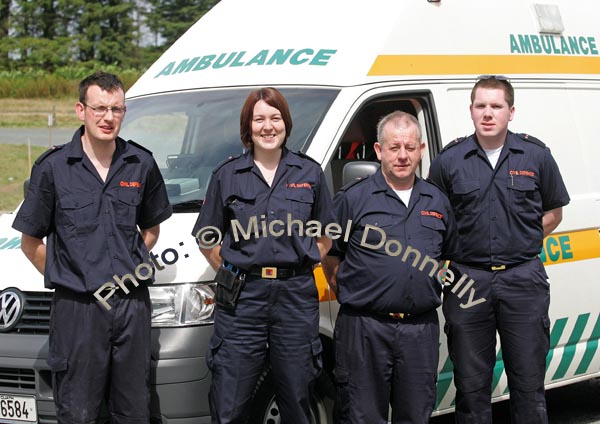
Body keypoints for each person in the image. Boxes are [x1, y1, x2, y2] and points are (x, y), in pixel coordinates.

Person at [12, 71, 172, 423]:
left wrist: (125, 273)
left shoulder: (140, 163)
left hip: (131, 305)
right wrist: (72, 276)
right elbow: (30, 242)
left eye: (116, 109)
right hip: (78, 310)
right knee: (79, 412)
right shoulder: (53, 169)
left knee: (133, 411)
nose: (108, 117)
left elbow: (151, 229)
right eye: (99, 108)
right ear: (80, 110)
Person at [428, 75, 570, 423]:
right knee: (471, 386)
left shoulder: (536, 155)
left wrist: (521, 237)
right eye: (481, 106)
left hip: (523, 280)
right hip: (467, 281)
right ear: (471, 110)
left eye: (496, 106)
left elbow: (554, 211)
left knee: (528, 383)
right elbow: (431, 216)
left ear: (511, 111)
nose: (488, 114)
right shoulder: (449, 161)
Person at [192, 87, 335, 423]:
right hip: (242, 300)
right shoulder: (227, 176)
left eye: (275, 118)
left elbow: (327, 233)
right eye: (259, 119)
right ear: (248, 126)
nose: (268, 126)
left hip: (295, 298)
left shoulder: (308, 173)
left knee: (297, 398)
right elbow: (206, 237)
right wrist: (229, 272)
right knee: (230, 403)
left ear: (286, 123)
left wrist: (304, 258)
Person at [321, 111, 459, 423]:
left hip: (419, 330)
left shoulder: (437, 201)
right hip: (364, 329)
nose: (402, 156)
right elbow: (329, 253)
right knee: (362, 416)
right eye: (394, 148)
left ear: (421, 151)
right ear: (379, 151)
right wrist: (344, 285)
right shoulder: (352, 200)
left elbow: (445, 255)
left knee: (416, 415)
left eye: (410, 148)